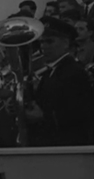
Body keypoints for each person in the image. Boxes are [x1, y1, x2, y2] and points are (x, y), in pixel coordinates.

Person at [27, 17, 94, 146]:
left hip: (66, 143)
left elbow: (81, 112)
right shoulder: (51, 71)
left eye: (50, 42)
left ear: (65, 43)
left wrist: (44, 116)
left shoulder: (74, 72)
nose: (43, 46)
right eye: (41, 42)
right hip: (50, 140)